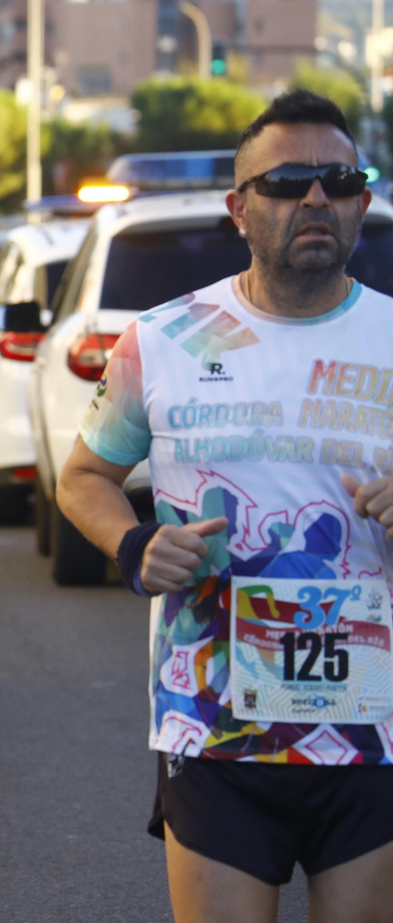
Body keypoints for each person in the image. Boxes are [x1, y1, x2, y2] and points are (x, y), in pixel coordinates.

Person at [55, 89, 393, 923]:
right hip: (214, 724)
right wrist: (134, 547)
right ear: (240, 210)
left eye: (339, 179)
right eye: (286, 182)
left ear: (363, 201)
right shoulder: (166, 339)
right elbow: (83, 477)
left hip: (376, 727)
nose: (315, 198)